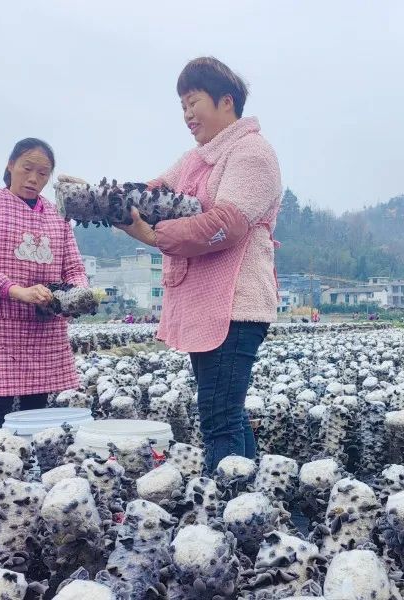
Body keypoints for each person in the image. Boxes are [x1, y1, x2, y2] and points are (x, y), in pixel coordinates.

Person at [102, 57, 281, 473]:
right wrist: (104, 198)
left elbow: (228, 224)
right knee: (227, 413)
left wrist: (152, 235)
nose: (186, 114)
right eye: (182, 105)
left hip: (234, 306)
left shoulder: (252, 152)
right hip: (208, 306)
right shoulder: (197, 158)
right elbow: (154, 190)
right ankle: (247, 499)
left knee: (218, 420)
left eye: (193, 102)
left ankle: (225, 510)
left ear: (225, 101)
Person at [0, 138, 88, 440]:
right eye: (27, 168)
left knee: (38, 407)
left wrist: (81, 293)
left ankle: (33, 468)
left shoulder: (58, 216)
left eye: (43, 173)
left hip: (44, 328)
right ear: (10, 165)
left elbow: (75, 269)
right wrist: (18, 291)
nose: (34, 178)